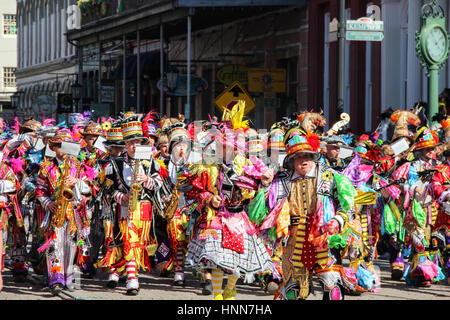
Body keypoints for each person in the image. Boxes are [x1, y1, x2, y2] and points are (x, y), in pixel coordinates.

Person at [95, 113, 163, 295]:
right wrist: (121, 197)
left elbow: (160, 183)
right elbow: (106, 187)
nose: (134, 146)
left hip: (145, 210)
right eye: (130, 143)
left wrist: (147, 179)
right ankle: (132, 279)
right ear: (125, 144)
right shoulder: (115, 163)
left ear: (142, 143)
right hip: (126, 208)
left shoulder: (151, 162)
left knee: (139, 243)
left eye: (137, 142)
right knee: (129, 241)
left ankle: (130, 272)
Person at [35, 129, 95, 295]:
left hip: (74, 213)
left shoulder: (79, 166)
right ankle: (55, 279)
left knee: (70, 246)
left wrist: (76, 182)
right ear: (53, 148)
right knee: (54, 246)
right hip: (54, 212)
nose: (63, 149)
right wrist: (48, 203)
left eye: (66, 146)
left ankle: (69, 278)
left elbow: (89, 190)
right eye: (59, 146)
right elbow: (39, 190)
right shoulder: (46, 167)